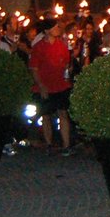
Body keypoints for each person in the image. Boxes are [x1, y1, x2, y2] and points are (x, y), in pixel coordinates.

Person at [29, 19, 76, 155]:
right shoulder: (38, 47)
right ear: (47, 30)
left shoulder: (61, 45)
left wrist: (68, 69)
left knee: (63, 113)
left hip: (60, 85)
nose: (58, 29)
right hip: (46, 86)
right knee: (46, 115)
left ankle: (66, 145)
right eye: (55, 27)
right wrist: (41, 85)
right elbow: (34, 68)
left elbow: (66, 64)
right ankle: (49, 143)